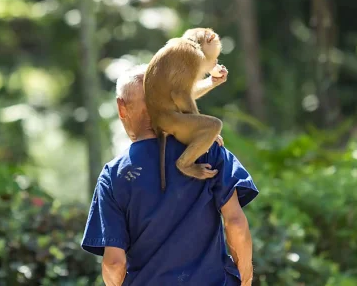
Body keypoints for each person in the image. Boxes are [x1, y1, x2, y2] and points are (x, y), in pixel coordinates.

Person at [81, 64, 259, 286]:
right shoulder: (207, 150)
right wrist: (245, 278)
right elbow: (235, 222)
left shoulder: (113, 176)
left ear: (121, 108)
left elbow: (114, 263)